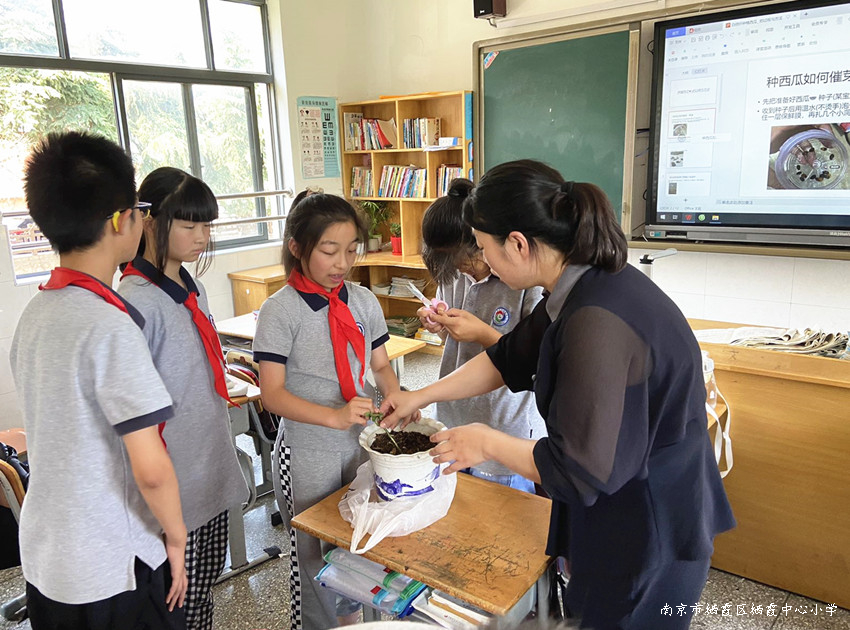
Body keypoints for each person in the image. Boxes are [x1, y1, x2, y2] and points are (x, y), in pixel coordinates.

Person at [381, 159, 736, 629]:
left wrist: (485, 442)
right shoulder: (576, 286)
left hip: (646, 528)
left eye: (486, 249)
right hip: (624, 509)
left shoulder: (596, 322)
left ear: (519, 244)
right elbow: (508, 358)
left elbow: (580, 469)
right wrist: (419, 397)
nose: (483, 263)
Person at [10, 131, 188, 629]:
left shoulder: (37, 313)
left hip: (50, 555)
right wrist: (175, 536)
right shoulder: (109, 324)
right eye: (139, 208)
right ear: (120, 220)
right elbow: (149, 467)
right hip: (113, 561)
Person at [252, 193, 419, 630]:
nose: (341, 262)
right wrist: (335, 416)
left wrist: (395, 394)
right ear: (297, 247)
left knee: (360, 540)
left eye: (351, 250)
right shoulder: (280, 311)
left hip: (359, 444)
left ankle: (354, 622)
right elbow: (271, 395)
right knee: (312, 552)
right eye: (329, 250)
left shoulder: (362, 301)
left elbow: (380, 364)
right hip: (308, 450)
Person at [117, 167, 248, 630]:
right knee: (177, 601)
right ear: (150, 222)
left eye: (206, 225)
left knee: (202, 588)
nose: (201, 236)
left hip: (206, 460)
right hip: (172, 479)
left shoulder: (192, 285)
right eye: (189, 225)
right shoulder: (135, 300)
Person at [419, 178, 545, 492]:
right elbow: (451, 341)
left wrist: (482, 332)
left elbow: (536, 363)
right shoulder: (454, 273)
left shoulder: (527, 283)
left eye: (468, 259)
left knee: (507, 525)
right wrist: (439, 325)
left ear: (484, 242)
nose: (464, 270)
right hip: (453, 415)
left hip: (507, 429)